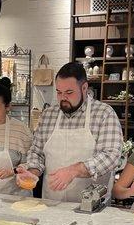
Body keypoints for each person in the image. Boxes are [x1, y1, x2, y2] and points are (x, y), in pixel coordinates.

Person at [19, 62, 123, 202]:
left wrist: (74, 170)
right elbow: (37, 152)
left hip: (91, 206)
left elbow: (111, 156)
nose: (63, 98)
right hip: (52, 202)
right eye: (59, 92)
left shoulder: (104, 113)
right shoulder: (49, 114)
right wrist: (32, 172)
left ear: (84, 88)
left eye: (69, 93)